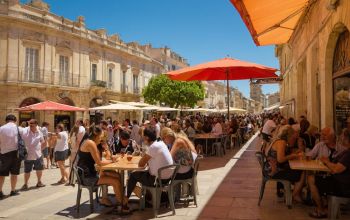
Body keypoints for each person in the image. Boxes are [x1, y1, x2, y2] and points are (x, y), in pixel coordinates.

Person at [77, 125, 128, 211]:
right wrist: (113, 161)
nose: (101, 139)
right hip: (87, 177)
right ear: (96, 135)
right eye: (100, 136)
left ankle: (122, 200)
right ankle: (123, 204)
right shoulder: (90, 143)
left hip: (90, 173)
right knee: (115, 181)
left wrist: (107, 151)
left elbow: (100, 159)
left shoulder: (89, 141)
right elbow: (99, 163)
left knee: (117, 176)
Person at [308, 128, 350, 218]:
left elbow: (336, 169)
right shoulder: (346, 151)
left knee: (311, 179)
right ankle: (325, 205)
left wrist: (326, 161)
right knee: (316, 177)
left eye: (343, 136)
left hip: (343, 186)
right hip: (340, 182)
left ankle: (321, 209)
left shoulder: (347, 152)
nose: (341, 138)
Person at [126, 127, 173, 201]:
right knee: (144, 174)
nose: (142, 139)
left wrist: (145, 155)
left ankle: (125, 201)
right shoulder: (161, 143)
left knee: (133, 175)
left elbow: (141, 164)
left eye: (143, 137)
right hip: (167, 178)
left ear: (147, 137)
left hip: (158, 180)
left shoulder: (153, 147)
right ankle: (148, 198)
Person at [264, 125, 305, 202]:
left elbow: (282, 156)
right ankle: (294, 195)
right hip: (273, 171)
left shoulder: (279, 141)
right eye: (293, 137)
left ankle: (295, 193)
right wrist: (292, 156)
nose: (293, 139)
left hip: (269, 169)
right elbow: (280, 159)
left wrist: (294, 153)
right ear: (289, 136)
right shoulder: (281, 143)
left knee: (298, 170)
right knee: (302, 172)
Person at [0, 115, 21, 199]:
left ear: (6, 120)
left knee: (1, 174)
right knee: (14, 173)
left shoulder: (1, 128)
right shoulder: (18, 128)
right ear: (15, 120)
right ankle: (13, 190)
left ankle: (0, 191)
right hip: (16, 153)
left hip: (3, 153)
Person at [20, 119, 46, 189]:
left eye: (32, 125)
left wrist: (40, 150)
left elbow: (43, 142)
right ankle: (25, 184)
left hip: (38, 154)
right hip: (28, 155)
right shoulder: (25, 131)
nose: (30, 126)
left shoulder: (39, 132)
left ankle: (39, 182)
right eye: (29, 124)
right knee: (27, 170)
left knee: (39, 169)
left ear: (36, 125)